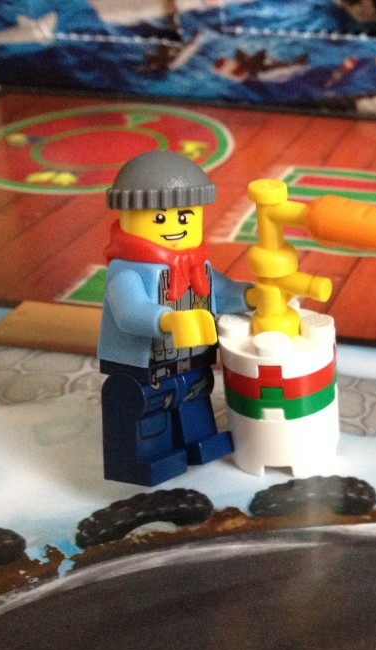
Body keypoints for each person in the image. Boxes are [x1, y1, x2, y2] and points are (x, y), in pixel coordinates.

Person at [98, 150, 253, 486]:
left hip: (191, 358)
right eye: (159, 218)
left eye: (184, 217)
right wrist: (168, 321)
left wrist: (249, 296)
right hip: (143, 364)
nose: (175, 227)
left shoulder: (197, 266)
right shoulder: (126, 271)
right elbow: (130, 312)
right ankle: (147, 455)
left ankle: (199, 441)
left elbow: (220, 291)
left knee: (194, 395)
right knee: (148, 406)